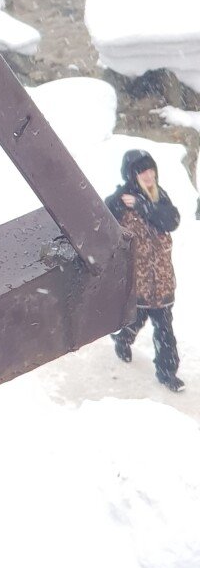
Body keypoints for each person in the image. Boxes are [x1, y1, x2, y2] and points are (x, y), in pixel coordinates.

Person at [107, 149, 184, 393]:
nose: (149, 175)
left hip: (161, 280)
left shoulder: (159, 197)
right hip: (138, 281)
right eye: (142, 171)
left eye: (151, 170)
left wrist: (143, 206)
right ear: (132, 176)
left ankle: (167, 372)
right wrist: (121, 202)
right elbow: (104, 224)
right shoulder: (120, 202)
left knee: (164, 330)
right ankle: (122, 339)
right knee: (135, 320)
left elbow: (172, 220)